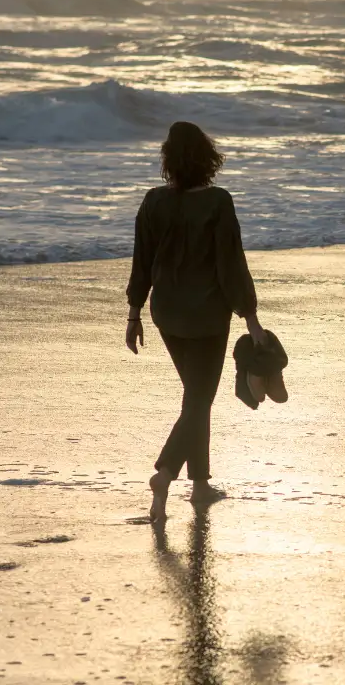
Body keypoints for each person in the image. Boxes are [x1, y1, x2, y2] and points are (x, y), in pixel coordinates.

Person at [125, 121, 265, 523]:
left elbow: (141, 263)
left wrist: (134, 313)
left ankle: (200, 485)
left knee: (195, 397)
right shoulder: (218, 202)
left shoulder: (153, 202)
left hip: (168, 314)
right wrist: (251, 318)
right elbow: (231, 265)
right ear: (208, 158)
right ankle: (165, 473)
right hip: (207, 316)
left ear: (168, 160)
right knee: (200, 400)